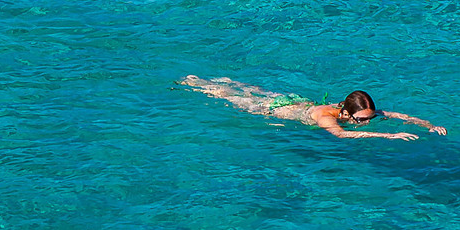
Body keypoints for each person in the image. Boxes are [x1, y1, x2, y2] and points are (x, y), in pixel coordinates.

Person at [181, 76, 445, 141]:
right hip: (274, 111)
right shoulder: (325, 117)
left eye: (369, 118)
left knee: (252, 89)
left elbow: (400, 115)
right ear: (345, 113)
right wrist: (389, 136)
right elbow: (340, 135)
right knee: (231, 98)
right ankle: (197, 84)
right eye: (361, 119)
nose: (366, 122)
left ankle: (225, 81)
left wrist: (429, 125)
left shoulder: (356, 112)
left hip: (294, 99)